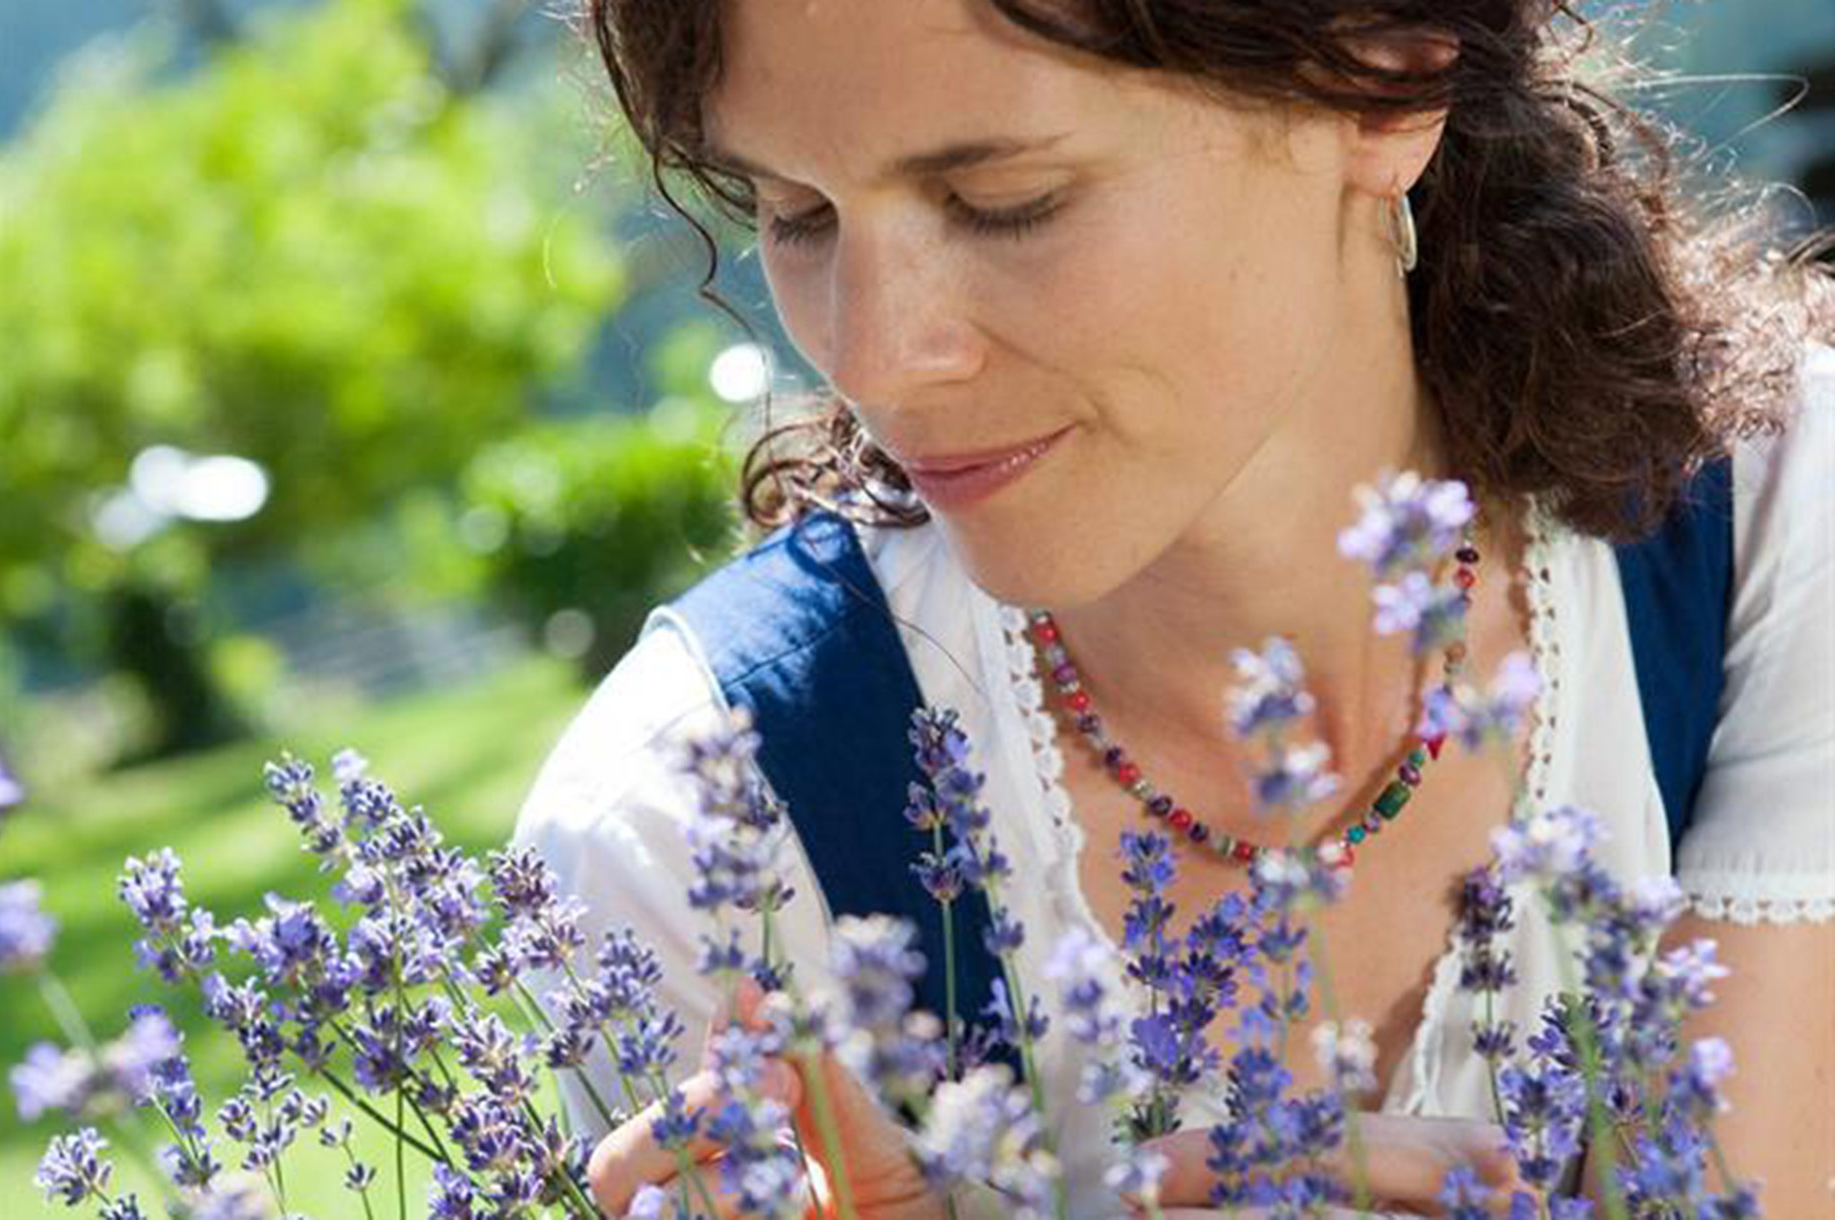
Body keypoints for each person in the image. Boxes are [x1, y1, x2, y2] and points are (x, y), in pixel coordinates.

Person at [511, 0, 1834, 1214]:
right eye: (792, 211)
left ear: (1384, 78)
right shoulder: (692, 836)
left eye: (1001, 199)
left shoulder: (1774, 533)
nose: (873, 355)